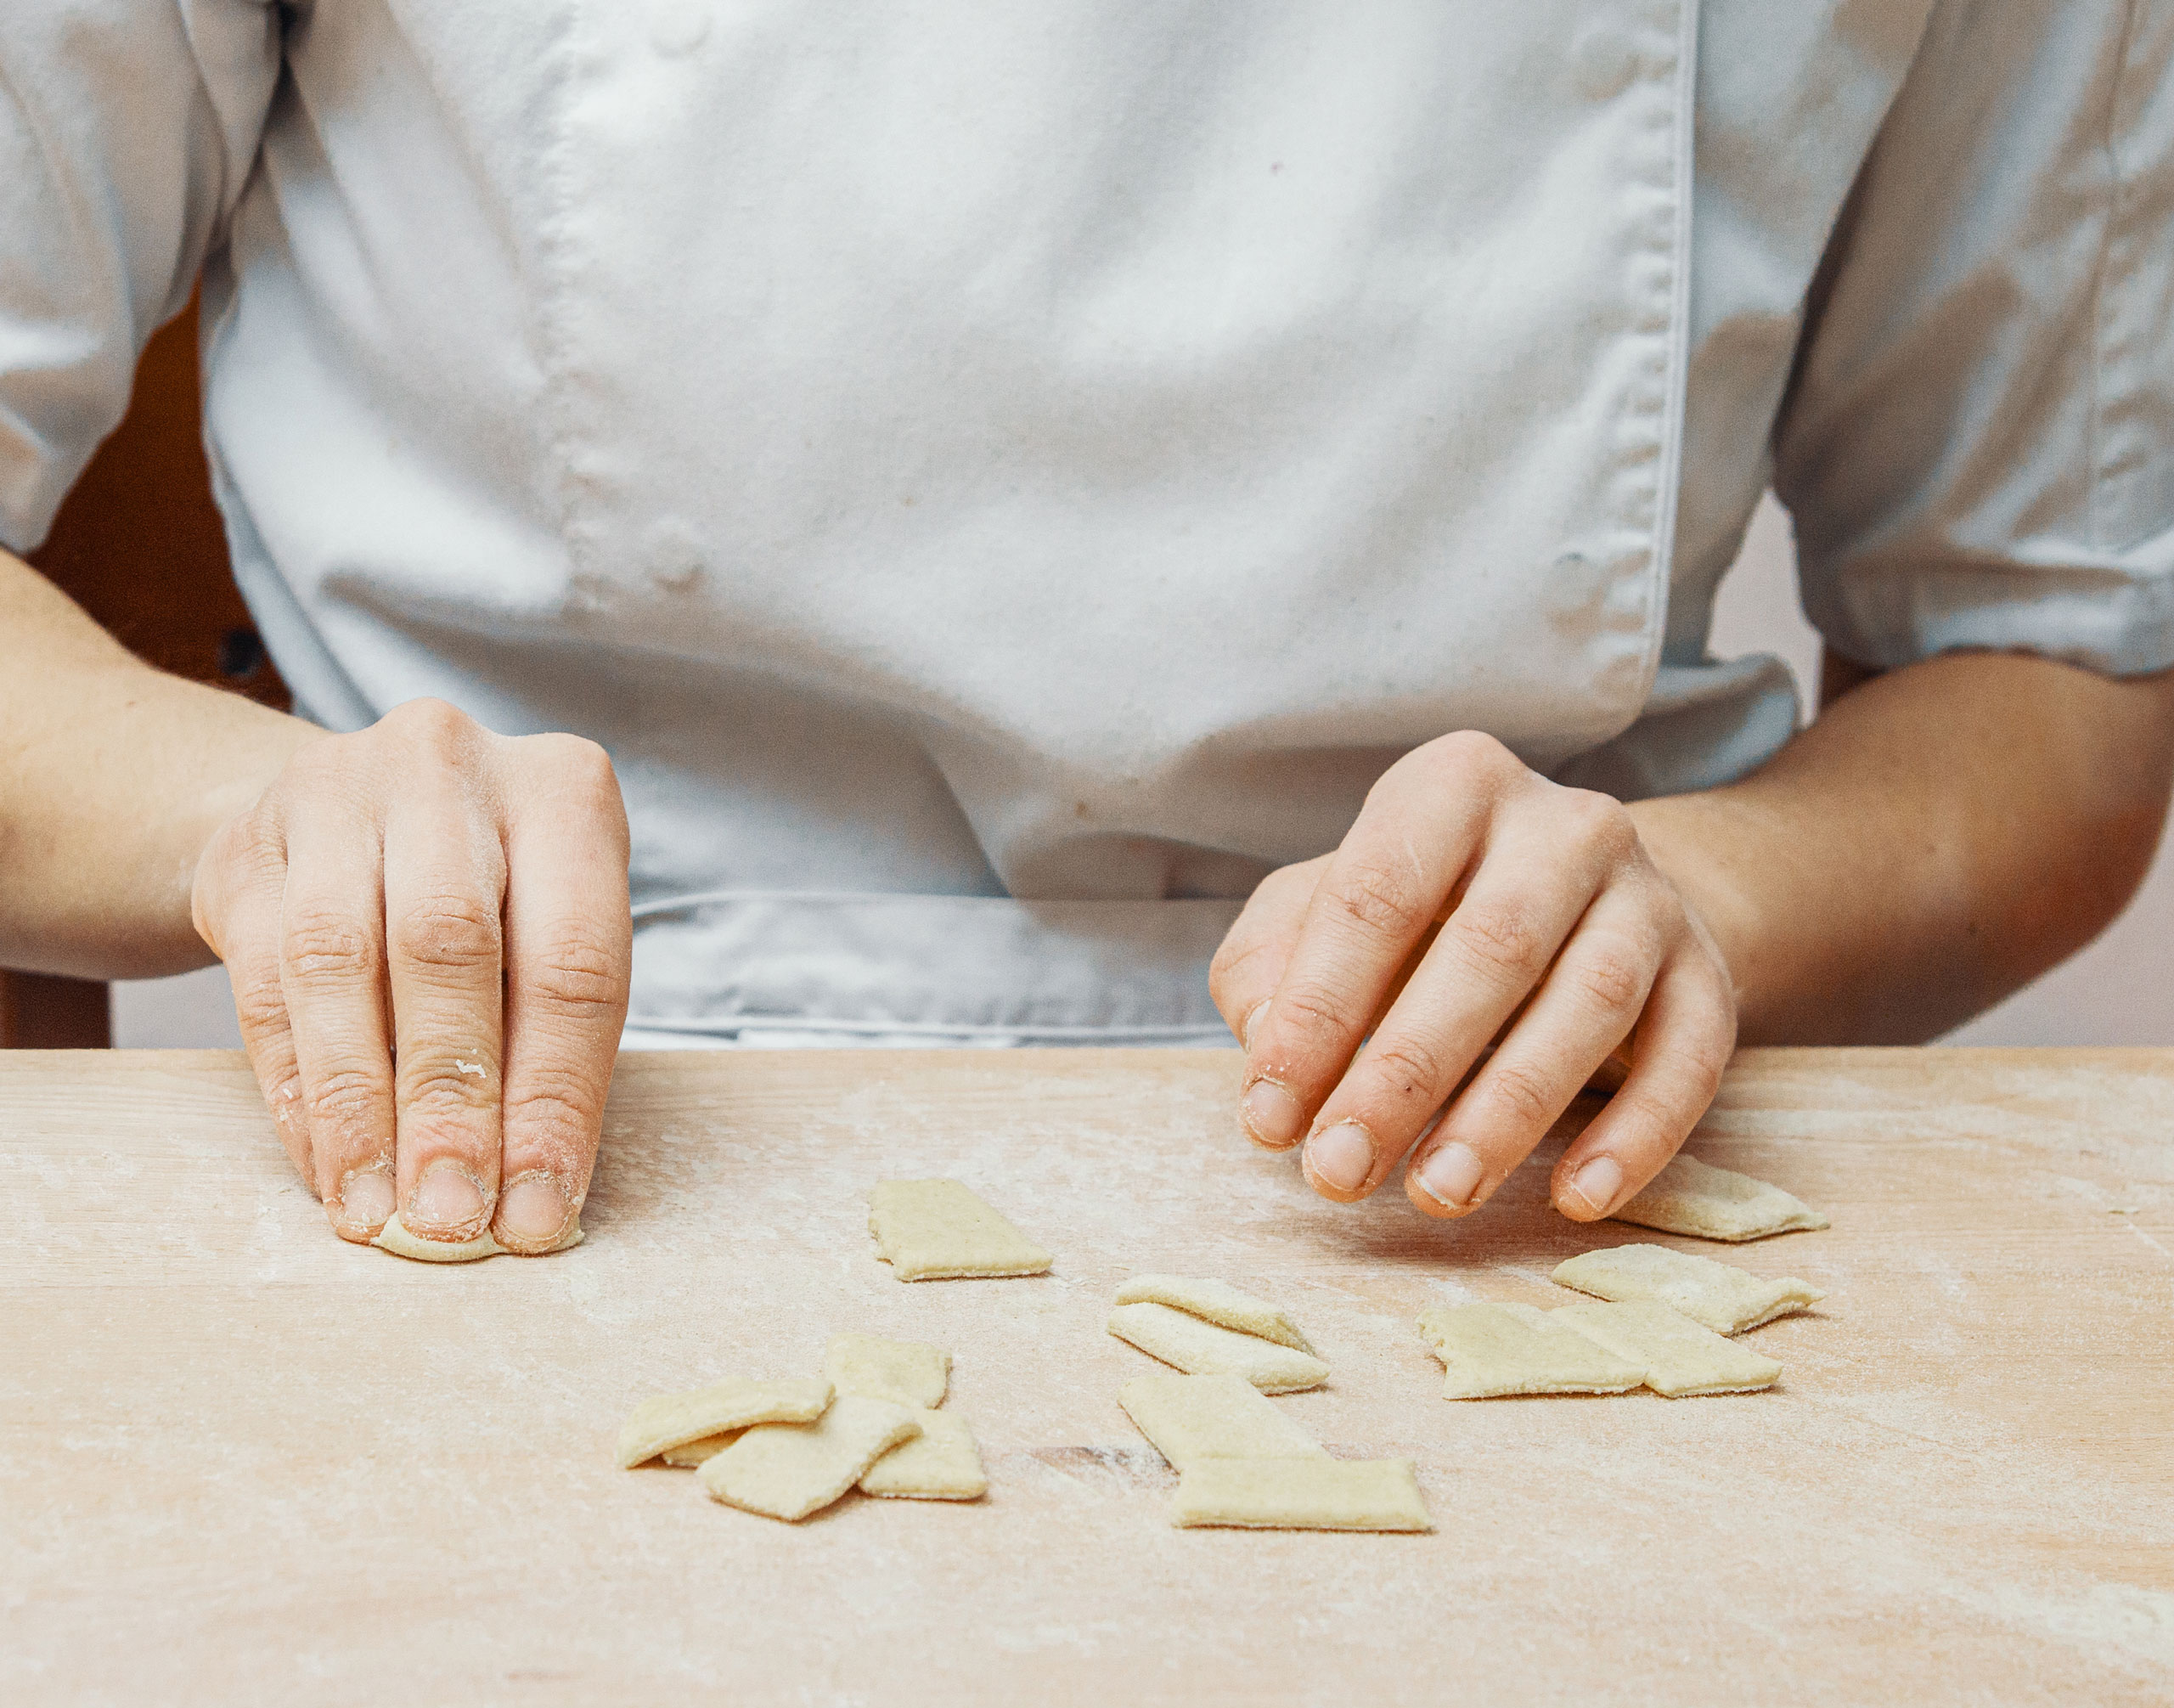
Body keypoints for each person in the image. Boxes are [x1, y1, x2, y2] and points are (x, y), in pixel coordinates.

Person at [4, 2, 2171, 1254]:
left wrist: (1700, 894)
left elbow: (2050, 666)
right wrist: (264, 817)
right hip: (492, 1138)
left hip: (1502, 1191)